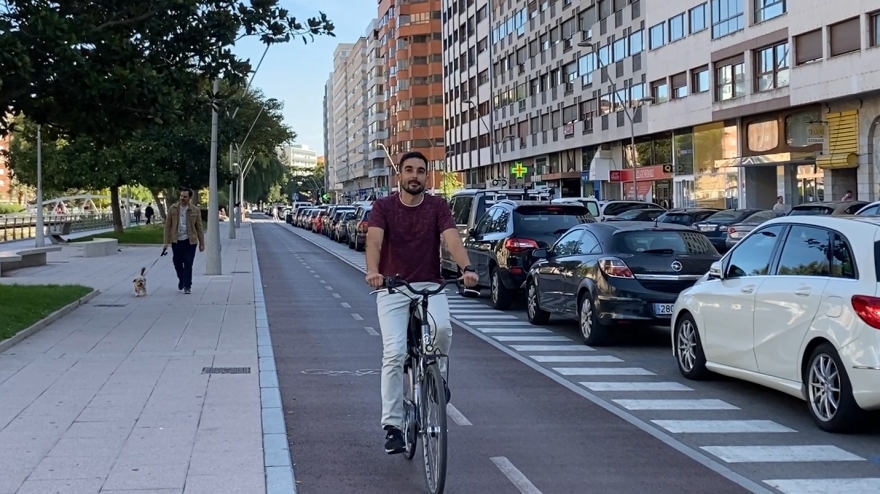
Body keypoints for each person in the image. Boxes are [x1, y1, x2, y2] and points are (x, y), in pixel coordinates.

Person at [364, 151, 478, 455]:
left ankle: (436, 379)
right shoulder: (384, 207)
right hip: (392, 286)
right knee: (395, 352)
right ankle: (392, 425)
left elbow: (452, 239)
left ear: (427, 176)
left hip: (430, 284)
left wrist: (466, 268)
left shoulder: (438, 206)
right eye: (409, 170)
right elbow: (374, 240)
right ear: (399, 175)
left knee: (442, 331)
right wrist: (374, 271)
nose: (415, 176)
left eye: (421, 171)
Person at [163, 189, 205, 294]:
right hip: (176, 240)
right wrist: (165, 242)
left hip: (190, 241)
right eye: (181, 196)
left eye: (185, 196)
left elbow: (199, 227)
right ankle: (181, 279)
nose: (182, 198)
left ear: (189, 198)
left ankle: (187, 285)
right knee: (177, 263)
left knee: (188, 263)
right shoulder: (173, 209)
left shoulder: (195, 210)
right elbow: (167, 226)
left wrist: (202, 243)